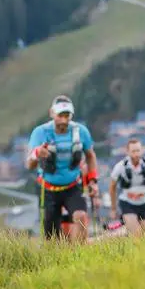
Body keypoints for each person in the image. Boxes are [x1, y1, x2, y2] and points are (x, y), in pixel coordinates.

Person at [26, 95, 100, 242]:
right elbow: (29, 165)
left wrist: (92, 181)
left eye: (67, 116)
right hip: (48, 189)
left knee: (80, 216)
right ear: (52, 113)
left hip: (73, 186)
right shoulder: (40, 133)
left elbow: (90, 156)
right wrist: (36, 154)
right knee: (52, 236)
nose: (64, 120)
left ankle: (79, 254)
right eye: (60, 116)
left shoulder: (81, 131)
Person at [108, 138, 145, 237]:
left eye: (138, 150)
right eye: (133, 151)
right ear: (128, 152)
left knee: (144, 235)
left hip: (144, 202)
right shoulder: (120, 167)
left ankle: (121, 235)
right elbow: (112, 187)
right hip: (127, 203)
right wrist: (113, 208)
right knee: (137, 233)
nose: (136, 154)